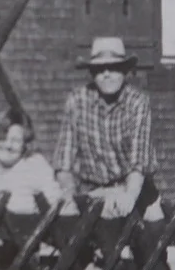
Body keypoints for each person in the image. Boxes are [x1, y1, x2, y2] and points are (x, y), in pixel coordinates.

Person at [53, 36, 164, 220]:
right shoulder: (77, 101)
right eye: (99, 69)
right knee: (66, 219)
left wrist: (129, 197)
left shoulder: (137, 103)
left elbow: (138, 163)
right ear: (91, 73)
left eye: (113, 68)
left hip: (134, 189)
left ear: (125, 71)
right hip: (93, 192)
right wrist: (68, 195)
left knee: (154, 221)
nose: (106, 74)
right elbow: (64, 162)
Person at [0, 109, 75, 216]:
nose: (8, 145)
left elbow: (62, 207)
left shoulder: (36, 165)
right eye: (2, 138)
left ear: (25, 144)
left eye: (15, 140)